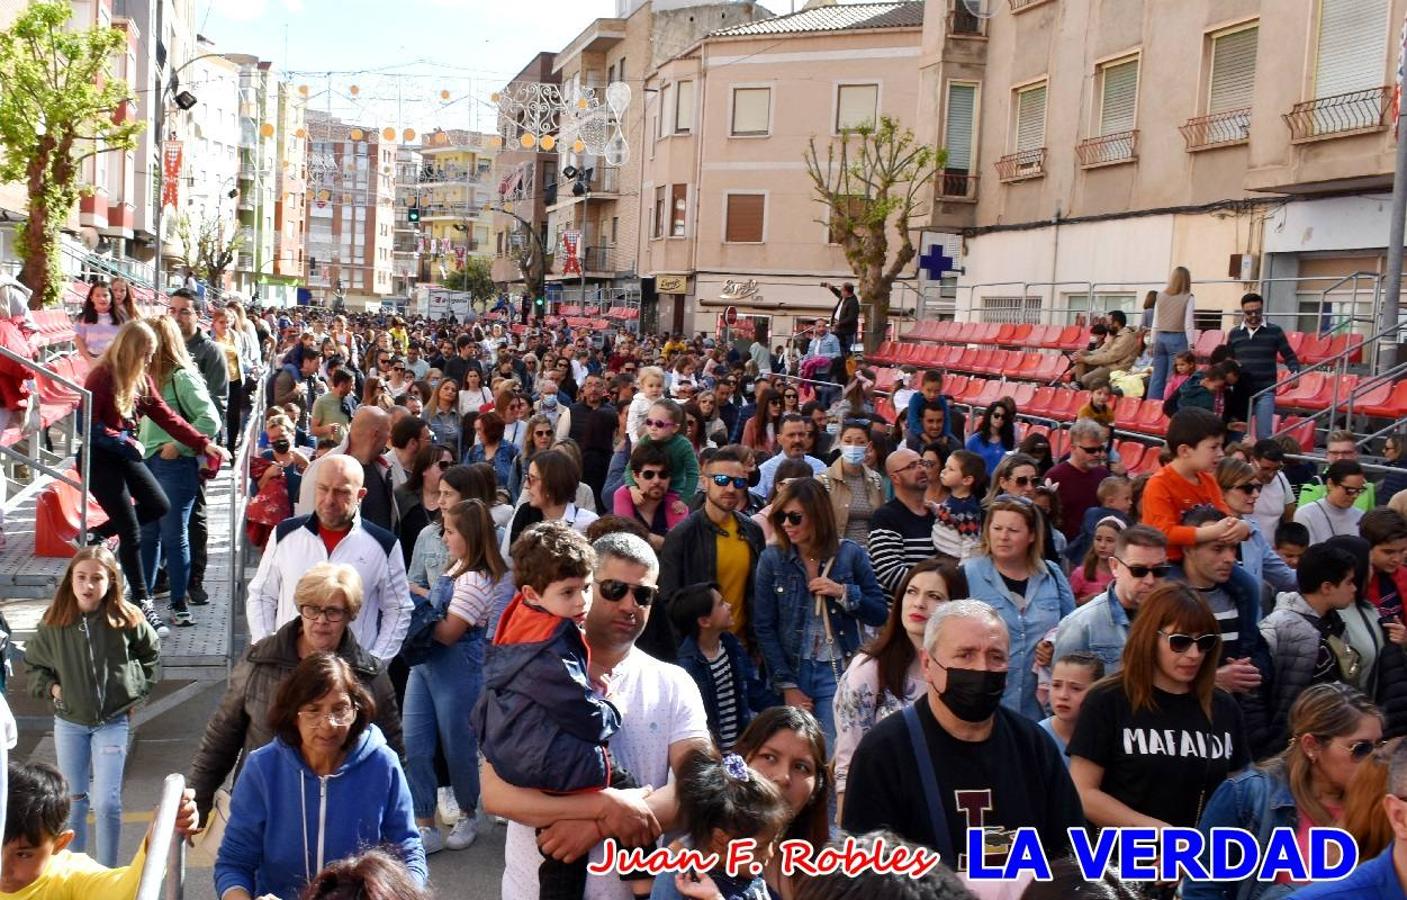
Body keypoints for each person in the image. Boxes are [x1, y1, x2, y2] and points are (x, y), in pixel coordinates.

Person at [482, 530, 712, 900]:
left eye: (643, 594)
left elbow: (698, 790)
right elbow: (495, 795)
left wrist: (596, 826)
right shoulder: (529, 669)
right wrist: (604, 806)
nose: (629, 605)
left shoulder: (675, 683)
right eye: (614, 589)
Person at [842, 600, 1083, 865]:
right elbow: (867, 877)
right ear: (927, 664)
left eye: (996, 657)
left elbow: (1069, 857)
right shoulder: (885, 751)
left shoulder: (1034, 746)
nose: (982, 669)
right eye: (965, 655)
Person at [189, 563, 403, 825]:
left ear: (351, 614)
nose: (321, 621)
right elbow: (222, 735)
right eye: (312, 609)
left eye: (333, 611)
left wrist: (397, 824)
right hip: (263, 811)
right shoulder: (260, 661)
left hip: (341, 817)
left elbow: (393, 754)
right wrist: (198, 802)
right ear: (300, 608)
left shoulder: (369, 675)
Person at [214, 652, 426, 900]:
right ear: (293, 715)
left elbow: (408, 852)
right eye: (313, 711)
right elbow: (234, 863)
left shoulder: (382, 763)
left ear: (356, 711)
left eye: (340, 709)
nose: (328, 724)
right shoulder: (262, 768)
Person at [82, 320, 230, 637]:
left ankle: (97, 534)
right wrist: (123, 440)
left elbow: (168, 417)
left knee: (158, 505)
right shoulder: (101, 377)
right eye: (146, 353)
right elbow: (90, 427)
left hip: (125, 455)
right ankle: (143, 602)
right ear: (131, 351)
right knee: (133, 533)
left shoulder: (141, 380)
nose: (149, 360)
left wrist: (203, 443)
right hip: (100, 459)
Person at [1070, 582, 1252, 833]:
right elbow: (1082, 792)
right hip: (1120, 859)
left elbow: (1238, 796)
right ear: (1149, 637)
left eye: (1205, 642)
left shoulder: (1224, 707)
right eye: (1180, 642)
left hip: (1196, 862)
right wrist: (1158, 832)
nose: (1194, 654)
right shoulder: (1107, 700)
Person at [23, 548, 159, 868]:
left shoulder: (127, 617)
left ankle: (108, 872)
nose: (87, 586)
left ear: (110, 582)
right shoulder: (54, 622)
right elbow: (34, 667)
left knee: (108, 802)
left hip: (112, 722)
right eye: (80, 577)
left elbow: (150, 654)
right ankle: (78, 868)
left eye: (96, 578)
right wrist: (55, 689)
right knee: (74, 802)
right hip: (70, 723)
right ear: (71, 580)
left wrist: (136, 693)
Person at [1192, 684, 1384, 900]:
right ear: (1311, 746)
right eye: (1361, 749)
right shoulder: (1248, 795)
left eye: (1379, 747)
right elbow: (1203, 888)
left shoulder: (1384, 803)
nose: (1374, 760)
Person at [405, 500, 512, 855]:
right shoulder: (457, 567)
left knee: (458, 746)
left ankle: (468, 812)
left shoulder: (477, 579)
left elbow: (449, 632)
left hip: (457, 667)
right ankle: (424, 822)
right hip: (426, 667)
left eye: (450, 532)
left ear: (469, 535)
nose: (445, 538)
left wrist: (413, 612)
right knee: (415, 743)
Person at [753, 478, 887, 747]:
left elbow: (879, 614)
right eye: (780, 517)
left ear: (818, 515)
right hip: (793, 668)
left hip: (837, 667)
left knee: (832, 754)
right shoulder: (772, 558)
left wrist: (843, 593)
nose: (786, 524)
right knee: (794, 751)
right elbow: (764, 626)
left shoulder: (850, 554)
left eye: (795, 517)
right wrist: (787, 685)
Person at [833, 559, 967, 815]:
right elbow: (849, 756)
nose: (919, 603)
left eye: (934, 596)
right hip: (884, 806)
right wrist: (846, 813)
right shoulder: (869, 669)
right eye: (911, 592)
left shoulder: (963, 671)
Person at [249, 455, 413, 663]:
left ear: (360, 495)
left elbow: (398, 609)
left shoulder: (384, 545)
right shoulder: (284, 534)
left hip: (352, 676)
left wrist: (376, 662)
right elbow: (262, 595)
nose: (329, 499)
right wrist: (267, 649)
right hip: (289, 669)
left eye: (341, 492)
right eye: (323, 488)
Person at [0, 761, 202, 898]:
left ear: (60, 843)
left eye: (23, 854)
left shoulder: (68, 877)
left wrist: (159, 833)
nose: (3, 869)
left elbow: (125, 891)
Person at [138, 316, 221, 627]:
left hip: (173, 465)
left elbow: (210, 420)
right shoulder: (148, 377)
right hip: (148, 463)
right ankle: (142, 600)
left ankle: (177, 603)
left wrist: (178, 446)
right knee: (147, 536)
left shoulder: (181, 377)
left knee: (174, 537)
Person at [961, 496, 1075, 720]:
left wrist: (1054, 645)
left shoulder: (1051, 573)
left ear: (1032, 535)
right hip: (985, 703)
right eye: (997, 528)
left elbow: (1071, 628)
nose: (1003, 536)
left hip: (1039, 709)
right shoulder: (966, 574)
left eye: (1013, 530)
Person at [654, 446, 766, 662]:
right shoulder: (682, 536)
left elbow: (757, 593)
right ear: (705, 482)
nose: (731, 488)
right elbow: (669, 601)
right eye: (722, 480)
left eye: (739, 482)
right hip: (699, 653)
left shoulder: (752, 531)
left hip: (744, 650)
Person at [651, 749, 791, 900]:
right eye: (760, 848)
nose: (769, 854)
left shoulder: (751, 879)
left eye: (772, 843)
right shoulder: (709, 890)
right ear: (721, 841)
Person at [1054, 524, 1170, 672]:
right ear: (1114, 566)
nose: (1150, 580)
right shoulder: (1082, 624)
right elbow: (1065, 690)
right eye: (1138, 570)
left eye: (1159, 570)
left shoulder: (1175, 618)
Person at [670, 582, 766, 752]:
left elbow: (751, 689)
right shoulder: (688, 666)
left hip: (740, 749)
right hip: (715, 755)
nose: (729, 606)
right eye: (721, 604)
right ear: (705, 621)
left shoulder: (730, 644)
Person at [1141, 407, 1247, 561]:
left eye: (1221, 446)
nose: (1221, 453)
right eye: (1213, 447)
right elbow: (1164, 532)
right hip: (1168, 563)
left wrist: (1241, 526)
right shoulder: (1159, 484)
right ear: (1185, 450)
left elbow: (1224, 516)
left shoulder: (1208, 480)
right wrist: (1213, 532)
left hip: (1205, 561)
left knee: (1250, 585)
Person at [1215, 457, 1298, 594]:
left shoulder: (1253, 530)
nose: (1256, 494)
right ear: (1222, 491)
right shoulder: (1205, 530)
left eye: (1258, 487)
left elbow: (1285, 577)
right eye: (1247, 488)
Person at [1227, 292, 1300, 440]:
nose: (1253, 315)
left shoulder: (1275, 331)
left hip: (1265, 390)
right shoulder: (1234, 333)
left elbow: (1290, 356)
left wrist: (1295, 373)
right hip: (1241, 391)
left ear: (1262, 309)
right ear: (1243, 312)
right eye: (1249, 312)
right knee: (1237, 435)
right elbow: (1228, 362)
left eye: (1257, 311)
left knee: (1264, 435)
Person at [868, 448, 940, 600]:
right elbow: (892, 575)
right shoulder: (885, 517)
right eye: (912, 466)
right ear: (895, 478)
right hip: (900, 613)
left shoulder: (936, 515)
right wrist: (936, 590)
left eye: (922, 463)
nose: (921, 469)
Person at [502, 448, 600, 556]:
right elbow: (509, 563)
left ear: (551, 483)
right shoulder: (524, 514)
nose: (526, 485)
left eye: (532, 479)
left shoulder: (588, 523)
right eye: (527, 478)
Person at [815, 419, 885, 546]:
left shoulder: (876, 480)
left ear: (868, 446)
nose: (853, 446)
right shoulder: (824, 480)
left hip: (871, 552)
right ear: (840, 444)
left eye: (860, 442)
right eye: (848, 441)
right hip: (838, 551)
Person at [554, 371, 618, 507]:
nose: (593, 389)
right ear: (583, 389)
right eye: (589, 385)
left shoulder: (612, 413)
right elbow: (560, 441)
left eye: (598, 385)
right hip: (578, 470)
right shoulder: (571, 411)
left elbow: (616, 440)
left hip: (604, 469)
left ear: (603, 389)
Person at [611, 441, 688, 551]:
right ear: (635, 476)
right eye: (649, 475)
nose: (656, 481)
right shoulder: (624, 495)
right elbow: (626, 540)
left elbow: (680, 548)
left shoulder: (677, 502)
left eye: (663, 474)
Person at [1046, 418, 1112, 540]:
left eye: (1099, 449)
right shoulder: (1055, 476)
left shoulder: (1104, 475)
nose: (1097, 454)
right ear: (1073, 448)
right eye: (1090, 450)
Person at [622, 398, 699, 501]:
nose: (653, 428)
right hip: (645, 486)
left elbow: (693, 474)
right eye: (649, 422)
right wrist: (632, 488)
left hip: (673, 491)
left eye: (659, 424)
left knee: (676, 511)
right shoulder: (645, 440)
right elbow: (630, 467)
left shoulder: (684, 445)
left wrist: (684, 500)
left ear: (675, 428)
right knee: (620, 494)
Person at [1037, 652, 1104, 765]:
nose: (1063, 695)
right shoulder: (1036, 736)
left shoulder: (1109, 735)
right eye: (1056, 685)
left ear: (1097, 691)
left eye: (1076, 688)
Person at [1147, 265, 1196, 402]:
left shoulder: (1160, 296)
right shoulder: (1188, 297)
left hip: (1160, 338)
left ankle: (1152, 406)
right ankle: (1169, 406)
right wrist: (1191, 344)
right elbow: (1188, 324)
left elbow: (1155, 322)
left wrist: (1152, 342)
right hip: (1178, 337)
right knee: (1172, 377)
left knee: (1157, 376)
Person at [1294, 460, 1368, 544]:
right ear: (1330, 484)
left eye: (1359, 490)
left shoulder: (1361, 516)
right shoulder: (1306, 514)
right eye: (1350, 490)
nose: (1355, 495)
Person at [932, 449, 987, 562]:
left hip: (952, 560)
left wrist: (963, 569)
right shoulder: (954, 500)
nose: (944, 471)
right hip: (941, 556)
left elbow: (971, 541)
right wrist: (935, 507)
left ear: (966, 480)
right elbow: (949, 515)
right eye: (945, 466)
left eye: (951, 469)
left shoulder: (966, 510)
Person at [755, 414, 826, 498]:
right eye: (791, 435)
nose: (797, 440)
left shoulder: (819, 467)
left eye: (801, 434)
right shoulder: (764, 471)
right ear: (779, 439)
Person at [1074, 309, 1140, 388]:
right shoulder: (1116, 335)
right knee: (1081, 353)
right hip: (1107, 364)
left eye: (1108, 323)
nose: (1106, 325)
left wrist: (1085, 359)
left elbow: (1110, 356)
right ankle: (1078, 385)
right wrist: (1083, 355)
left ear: (1116, 323)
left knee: (1085, 379)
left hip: (1116, 368)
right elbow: (1101, 351)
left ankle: (1080, 385)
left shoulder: (1127, 337)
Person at [1365, 508, 1407, 623]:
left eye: (1402, 550)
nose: (1397, 559)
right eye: (1388, 552)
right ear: (1368, 547)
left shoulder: (1404, 575)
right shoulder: (1358, 584)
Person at [1250, 438, 1297, 540]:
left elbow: (1290, 518)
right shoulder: (1239, 478)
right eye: (1265, 468)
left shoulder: (1281, 479)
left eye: (1276, 469)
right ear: (1252, 461)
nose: (1271, 475)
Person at [1070, 516, 1123, 603]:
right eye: (1098, 539)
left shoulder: (1125, 575)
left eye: (1109, 540)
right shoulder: (1080, 573)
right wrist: (1086, 601)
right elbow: (1067, 606)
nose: (1102, 545)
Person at [73, 281, 125, 364]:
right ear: (91, 298)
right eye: (97, 295)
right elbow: (79, 340)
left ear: (111, 297)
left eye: (105, 295)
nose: (102, 299)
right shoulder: (83, 318)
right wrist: (89, 359)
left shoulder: (121, 318)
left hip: (115, 361)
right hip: (93, 359)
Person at [465, 410, 519, 488]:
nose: (477, 434)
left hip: (505, 497)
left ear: (491, 429)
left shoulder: (512, 450)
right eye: (476, 430)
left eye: (480, 429)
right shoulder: (473, 452)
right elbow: (466, 478)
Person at [964, 401, 1015, 476]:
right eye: (996, 415)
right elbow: (966, 464)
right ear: (989, 415)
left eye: (1003, 417)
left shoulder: (1007, 439)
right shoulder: (975, 440)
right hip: (980, 483)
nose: (999, 419)